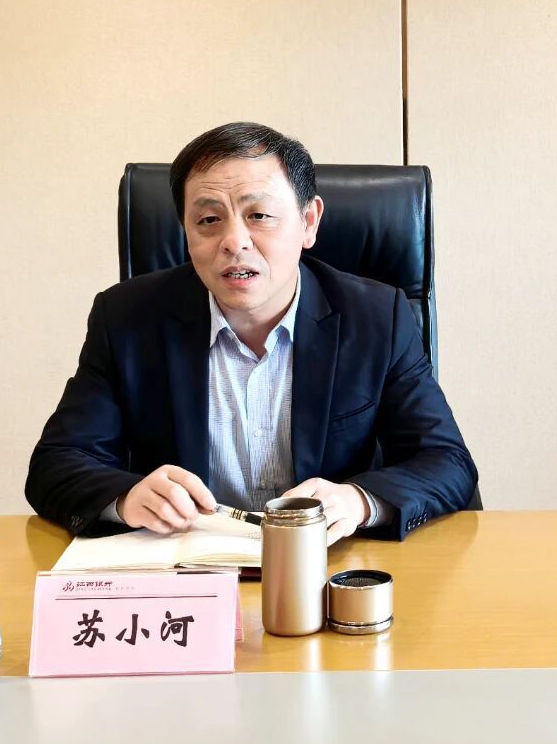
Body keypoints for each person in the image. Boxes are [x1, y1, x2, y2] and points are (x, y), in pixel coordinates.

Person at [26, 122, 477, 542]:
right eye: (209, 220)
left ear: (309, 222)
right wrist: (126, 498)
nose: (234, 242)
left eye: (259, 215)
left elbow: (447, 462)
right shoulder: (126, 319)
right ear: (185, 233)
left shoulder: (377, 317)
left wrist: (357, 502)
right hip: (188, 568)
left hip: (328, 565)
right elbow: (56, 464)